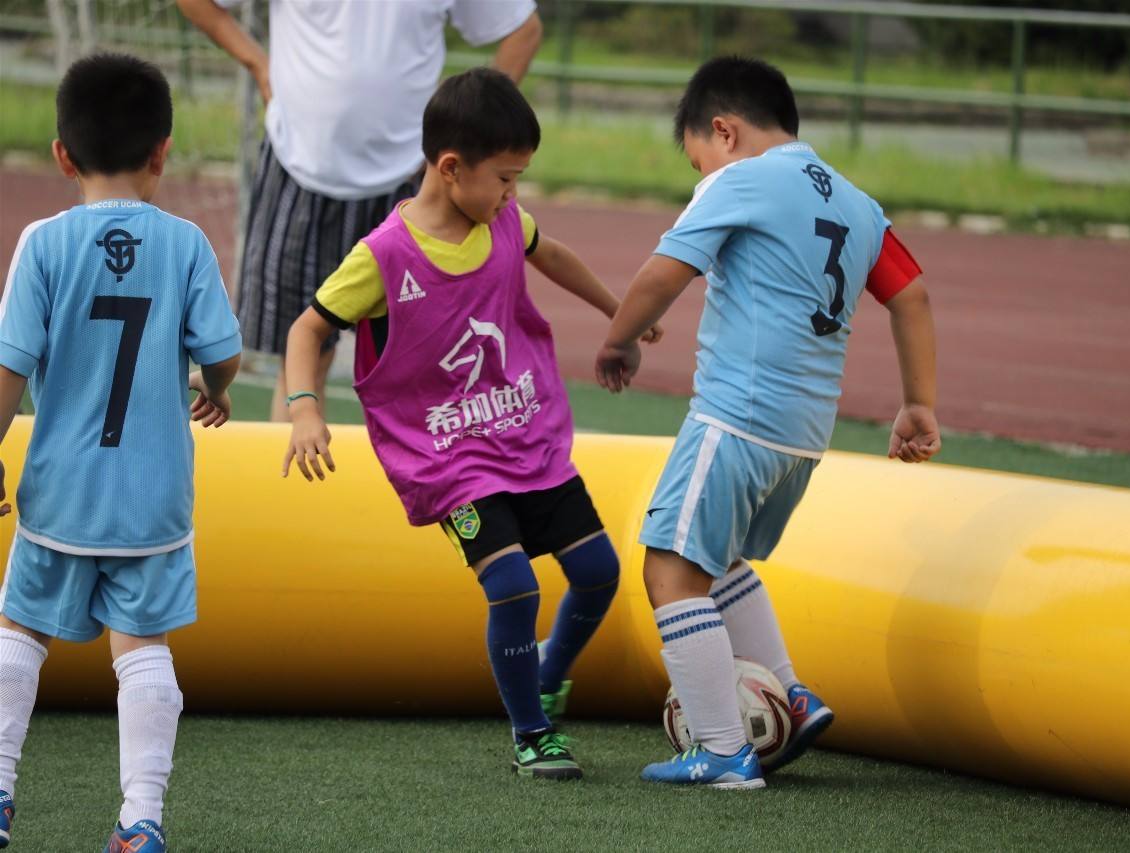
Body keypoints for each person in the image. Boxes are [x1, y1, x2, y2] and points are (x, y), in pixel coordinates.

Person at [281, 68, 660, 781]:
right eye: (506, 179)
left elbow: (553, 254)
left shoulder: (506, 222)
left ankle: (547, 672)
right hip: (450, 461)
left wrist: (621, 314)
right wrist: (305, 410)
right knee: (514, 585)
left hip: (525, 436)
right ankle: (531, 730)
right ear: (451, 169)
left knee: (599, 571)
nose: (513, 194)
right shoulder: (384, 257)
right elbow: (309, 327)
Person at [596, 57, 940, 789]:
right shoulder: (857, 202)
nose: (702, 169)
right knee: (715, 559)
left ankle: (722, 751)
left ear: (723, 131)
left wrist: (619, 337)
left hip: (738, 414)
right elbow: (911, 296)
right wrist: (919, 404)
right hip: (805, 434)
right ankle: (792, 693)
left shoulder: (739, 179)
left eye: (698, 156)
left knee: (668, 566)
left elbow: (665, 271)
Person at [0, 54, 240, 850]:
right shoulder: (188, 244)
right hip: (153, 499)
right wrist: (219, 384)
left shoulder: (41, 244)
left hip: (59, 492)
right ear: (162, 152)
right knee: (142, 650)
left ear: (62, 155)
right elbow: (221, 350)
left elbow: (9, 370)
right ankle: (141, 818)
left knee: (18, 633)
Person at [178, 0, 543, 420]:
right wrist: (258, 63)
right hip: (300, 165)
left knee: (429, 364)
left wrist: (467, 135)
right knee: (302, 358)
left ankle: (432, 478)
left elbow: (522, 29)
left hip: (411, 182)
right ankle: (295, 480)